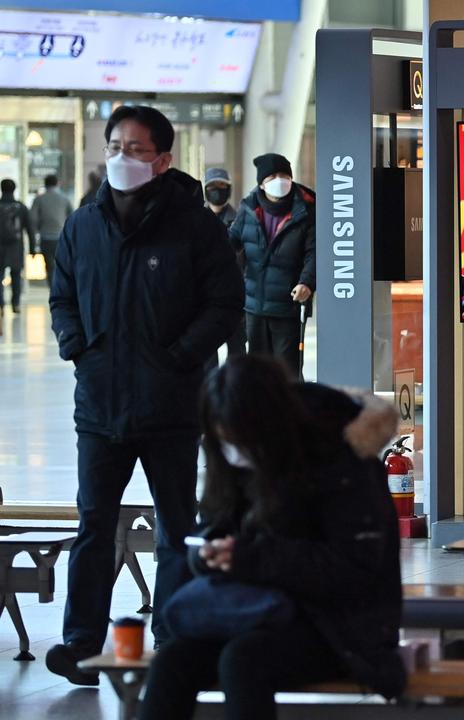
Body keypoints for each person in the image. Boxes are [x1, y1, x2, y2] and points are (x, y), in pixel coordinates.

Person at [46, 105, 243, 686]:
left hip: (173, 407)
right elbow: (62, 295)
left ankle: (174, 636)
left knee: (177, 527)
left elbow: (226, 304)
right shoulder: (84, 224)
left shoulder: (195, 227)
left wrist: (182, 356)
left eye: (134, 149)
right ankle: (81, 642)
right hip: (99, 406)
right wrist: (76, 346)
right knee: (92, 524)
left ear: (162, 160)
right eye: (114, 146)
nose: (121, 158)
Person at [138, 355, 406, 719]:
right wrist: (206, 555)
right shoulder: (237, 459)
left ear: (270, 424)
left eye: (239, 440)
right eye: (224, 441)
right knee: (172, 660)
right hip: (255, 613)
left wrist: (250, 557)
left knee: (243, 660)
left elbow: (353, 569)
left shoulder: (342, 461)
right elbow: (215, 524)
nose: (234, 451)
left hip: (340, 627)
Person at [229, 152, 316, 376]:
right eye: (272, 177)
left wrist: (307, 282)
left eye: (284, 175)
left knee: (288, 370)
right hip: (254, 305)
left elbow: (314, 252)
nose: (279, 181)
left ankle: (290, 411)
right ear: (262, 183)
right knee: (257, 368)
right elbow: (231, 243)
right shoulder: (249, 209)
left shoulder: (305, 210)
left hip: (288, 305)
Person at [204, 167, 246, 363]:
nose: (217, 190)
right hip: (203, 300)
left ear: (229, 189)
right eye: (212, 186)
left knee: (236, 353)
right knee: (206, 352)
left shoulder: (241, 220)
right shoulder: (195, 220)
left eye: (222, 185)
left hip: (234, 298)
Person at [30, 174, 73, 285]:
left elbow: (33, 219)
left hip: (46, 237)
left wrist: (36, 231)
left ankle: (52, 287)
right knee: (62, 264)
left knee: (49, 265)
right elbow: (72, 217)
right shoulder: (65, 199)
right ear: (57, 183)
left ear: (45, 184)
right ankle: (61, 287)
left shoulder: (39, 199)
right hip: (61, 237)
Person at [0, 178, 35, 314]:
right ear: (14, 189)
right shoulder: (21, 207)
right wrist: (32, 248)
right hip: (16, 246)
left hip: (0, 247)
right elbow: (29, 229)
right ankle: (16, 304)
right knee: (16, 276)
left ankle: (1, 305)